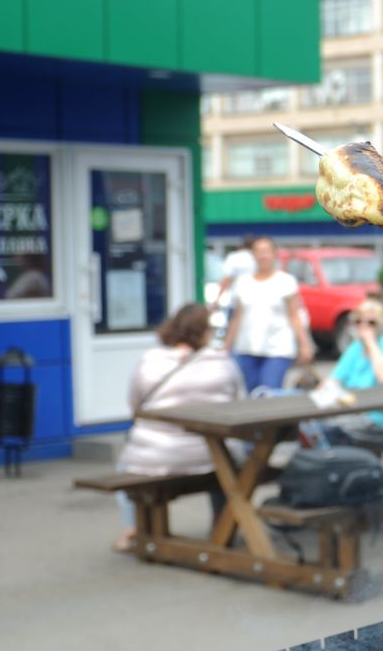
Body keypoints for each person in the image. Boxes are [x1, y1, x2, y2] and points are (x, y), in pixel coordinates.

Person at [112, 304, 244, 552]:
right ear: (205, 332)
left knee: (125, 464)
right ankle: (223, 528)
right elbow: (239, 404)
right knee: (230, 464)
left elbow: (135, 406)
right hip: (212, 455)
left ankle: (132, 529)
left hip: (155, 456)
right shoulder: (223, 364)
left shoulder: (149, 361)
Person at [321, 294, 383, 449]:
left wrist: (371, 343)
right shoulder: (356, 347)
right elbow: (334, 378)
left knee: (325, 429)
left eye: (371, 322)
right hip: (357, 412)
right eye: (358, 321)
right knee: (311, 426)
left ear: (381, 323)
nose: (364, 326)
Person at [226, 233, 312, 391]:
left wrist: (304, 344)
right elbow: (236, 317)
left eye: (266, 251)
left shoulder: (286, 281)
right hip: (247, 347)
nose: (262, 256)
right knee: (252, 393)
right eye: (258, 251)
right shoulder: (243, 282)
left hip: (278, 347)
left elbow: (294, 315)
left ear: (274, 254)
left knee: (269, 391)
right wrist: (227, 346)